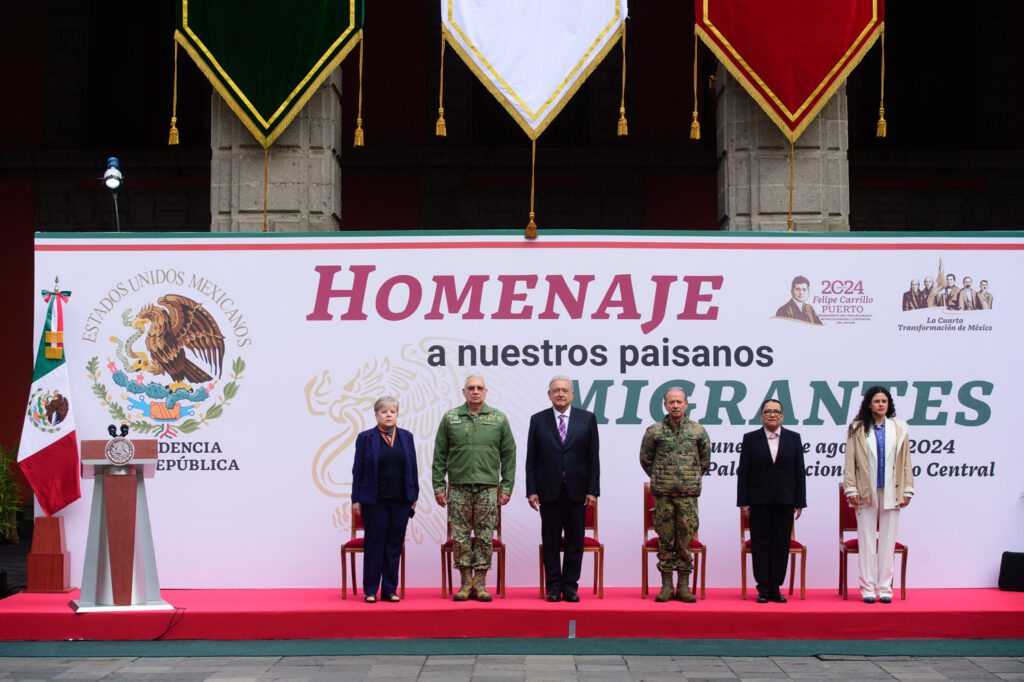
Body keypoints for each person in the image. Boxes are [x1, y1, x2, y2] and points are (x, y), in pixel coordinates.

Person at [432, 375, 516, 602]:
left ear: (486, 392)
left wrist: (506, 486)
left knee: (484, 535)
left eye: (479, 388)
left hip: (488, 488)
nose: (475, 391)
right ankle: (464, 583)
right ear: (464, 392)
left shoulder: (498, 418)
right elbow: (439, 454)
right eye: (471, 388)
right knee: (460, 536)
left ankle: (480, 583)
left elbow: (509, 454)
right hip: (458, 488)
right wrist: (439, 486)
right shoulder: (451, 418)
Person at [526, 376, 600, 602]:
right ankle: (553, 586)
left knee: (574, 542)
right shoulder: (538, 420)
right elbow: (531, 458)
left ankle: (570, 586)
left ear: (572, 395)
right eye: (556, 390)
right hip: (548, 492)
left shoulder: (587, 419)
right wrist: (531, 490)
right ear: (549, 394)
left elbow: (593, 457)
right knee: (550, 541)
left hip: (578, 492)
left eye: (564, 390)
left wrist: (592, 490)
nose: (560, 394)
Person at [843, 386, 914, 604]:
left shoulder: (899, 428)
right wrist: (851, 489)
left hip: (892, 490)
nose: (881, 404)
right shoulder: (857, 428)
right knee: (866, 540)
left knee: (887, 541)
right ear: (869, 404)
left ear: (889, 404)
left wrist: (908, 489)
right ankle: (867, 588)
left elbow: (906, 463)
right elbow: (850, 463)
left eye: (884, 401)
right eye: (877, 401)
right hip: (866, 491)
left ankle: (885, 588)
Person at [639, 387, 711, 602]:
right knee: (666, 541)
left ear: (686, 404)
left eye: (679, 402)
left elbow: (704, 461)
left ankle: (684, 586)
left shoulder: (698, 431)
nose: (675, 405)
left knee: (684, 541)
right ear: (665, 405)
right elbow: (646, 459)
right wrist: (663, 478)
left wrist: (688, 479)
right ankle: (667, 585)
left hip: (688, 496)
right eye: (671, 402)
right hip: (663, 496)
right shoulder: (655, 431)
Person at [737, 399, 807, 603]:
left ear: (782, 416)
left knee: (780, 544)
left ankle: (776, 587)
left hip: (785, 500)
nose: (772, 415)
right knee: (760, 544)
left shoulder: (794, 438)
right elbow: (744, 473)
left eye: (776, 411)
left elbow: (799, 471)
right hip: (758, 501)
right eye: (768, 411)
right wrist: (743, 502)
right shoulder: (750, 439)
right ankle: (762, 588)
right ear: (761, 416)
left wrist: (800, 501)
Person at [350, 395, 419, 603]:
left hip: (401, 500)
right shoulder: (365, 438)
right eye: (384, 411)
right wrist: (356, 499)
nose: (389, 415)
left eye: (393, 411)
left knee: (393, 545)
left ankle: (390, 589)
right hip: (374, 501)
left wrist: (414, 494)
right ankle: (370, 590)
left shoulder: (406, 437)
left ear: (397, 414)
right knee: (375, 544)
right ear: (376, 414)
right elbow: (358, 470)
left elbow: (413, 467)